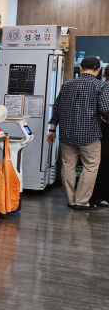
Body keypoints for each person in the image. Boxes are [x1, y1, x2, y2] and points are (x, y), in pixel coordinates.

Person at [46, 55, 109, 210]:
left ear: (80, 68)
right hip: (90, 134)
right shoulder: (101, 86)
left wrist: (52, 129)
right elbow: (105, 109)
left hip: (67, 133)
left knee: (68, 165)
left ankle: (71, 200)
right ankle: (81, 201)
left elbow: (57, 108)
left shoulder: (67, 85)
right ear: (98, 69)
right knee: (90, 166)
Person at [88, 66, 109, 207]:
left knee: (102, 164)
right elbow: (104, 111)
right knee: (103, 165)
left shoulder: (102, 86)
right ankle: (98, 196)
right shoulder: (104, 88)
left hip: (101, 131)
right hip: (104, 131)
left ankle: (97, 196)